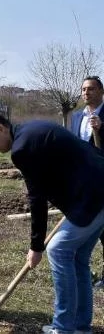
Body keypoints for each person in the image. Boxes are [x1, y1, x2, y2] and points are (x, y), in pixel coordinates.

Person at [0, 113, 104, 334]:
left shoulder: (22, 148)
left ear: (0, 128)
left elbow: (37, 198)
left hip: (94, 196)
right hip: (96, 190)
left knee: (58, 250)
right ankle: (81, 327)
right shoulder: (31, 130)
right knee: (78, 260)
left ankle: (63, 328)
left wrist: (36, 246)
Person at [69, 76, 104, 288]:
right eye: (83, 89)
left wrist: (103, 130)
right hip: (82, 183)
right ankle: (83, 270)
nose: (86, 93)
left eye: (90, 89)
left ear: (101, 91)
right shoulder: (76, 117)